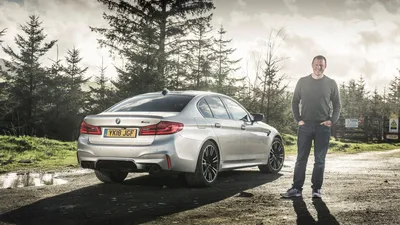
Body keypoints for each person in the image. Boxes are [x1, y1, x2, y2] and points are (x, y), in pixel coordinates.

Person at [281, 55, 341, 198]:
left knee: (319, 160)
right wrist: (298, 119)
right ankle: (296, 189)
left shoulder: (331, 83)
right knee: (301, 158)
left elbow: (337, 104)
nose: (318, 67)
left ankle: (316, 190)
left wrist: (332, 120)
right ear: (312, 65)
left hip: (323, 127)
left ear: (325, 66)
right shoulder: (302, 82)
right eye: (316, 64)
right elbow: (295, 101)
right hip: (305, 126)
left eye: (321, 65)